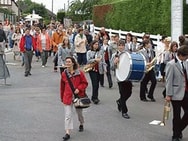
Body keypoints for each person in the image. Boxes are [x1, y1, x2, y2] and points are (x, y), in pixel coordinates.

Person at [60, 56, 88, 141]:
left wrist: (78, 89)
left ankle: (81, 123)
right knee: (68, 115)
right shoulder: (64, 74)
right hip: (67, 97)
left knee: (79, 113)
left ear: (73, 63)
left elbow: (85, 83)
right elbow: (62, 87)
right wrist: (62, 98)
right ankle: (67, 132)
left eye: (69, 62)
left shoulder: (80, 73)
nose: (67, 63)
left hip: (78, 97)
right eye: (66, 62)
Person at [165, 45, 188, 141]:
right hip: (175, 93)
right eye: (186, 56)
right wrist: (168, 95)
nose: (187, 58)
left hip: (185, 92)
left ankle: (178, 130)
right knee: (177, 115)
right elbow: (169, 80)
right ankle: (175, 135)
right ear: (181, 55)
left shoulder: (186, 63)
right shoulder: (171, 64)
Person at [111, 40, 132, 119]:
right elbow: (111, 68)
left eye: (122, 45)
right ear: (117, 46)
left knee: (129, 93)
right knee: (123, 94)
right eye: (119, 45)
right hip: (120, 78)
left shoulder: (127, 54)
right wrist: (115, 63)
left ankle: (119, 101)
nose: (121, 47)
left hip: (127, 76)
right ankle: (124, 111)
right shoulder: (114, 55)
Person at [86, 40, 107, 104]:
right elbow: (88, 60)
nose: (96, 46)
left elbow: (103, 61)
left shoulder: (100, 52)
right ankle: (95, 98)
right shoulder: (89, 52)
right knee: (94, 83)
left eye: (97, 44)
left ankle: (95, 96)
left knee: (97, 84)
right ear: (92, 45)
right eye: (95, 44)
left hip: (99, 69)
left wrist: (105, 69)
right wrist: (95, 59)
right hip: (92, 69)